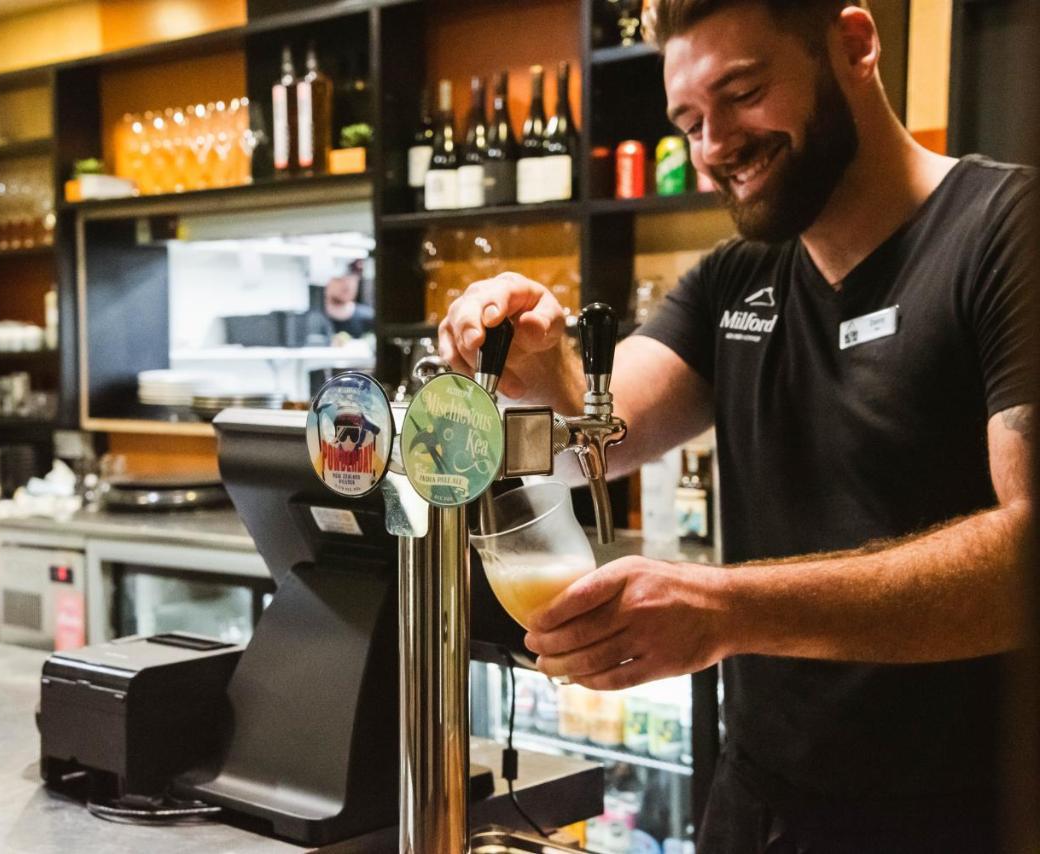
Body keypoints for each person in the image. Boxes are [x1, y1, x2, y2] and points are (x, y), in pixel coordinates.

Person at [438, 2, 1034, 851]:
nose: (714, 144)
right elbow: (604, 429)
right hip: (756, 808)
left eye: (743, 93)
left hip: (962, 814)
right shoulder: (738, 277)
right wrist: (538, 362)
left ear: (856, 44)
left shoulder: (1005, 235)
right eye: (688, 121)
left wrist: (725, 610)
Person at [322, 259, 375, 338]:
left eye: (352, 279)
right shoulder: (313, 318)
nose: (347, 284)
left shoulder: (369, 317)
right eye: (339, 279)